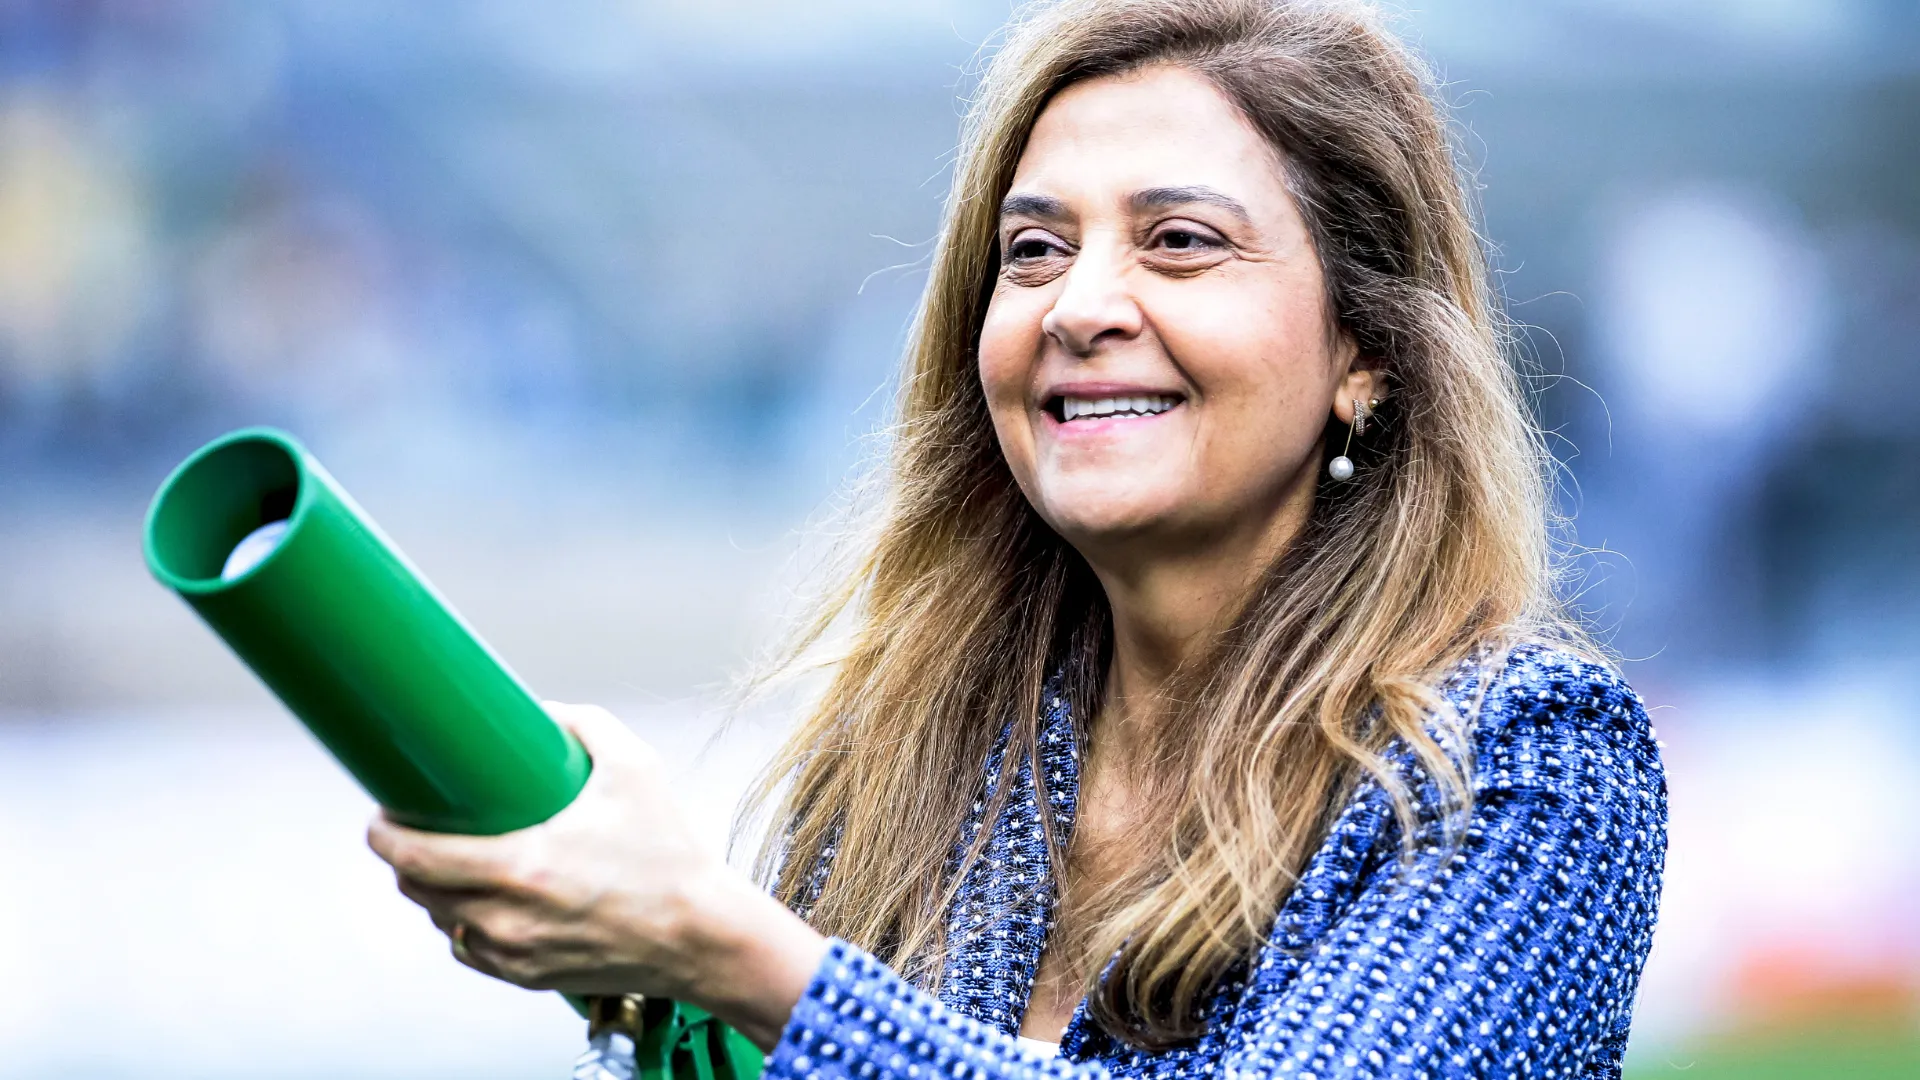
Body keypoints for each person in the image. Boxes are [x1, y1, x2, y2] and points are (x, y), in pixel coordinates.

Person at [367, 1, 1668, 1076]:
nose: (1080, 305)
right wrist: (646, 989)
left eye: (1180, 242)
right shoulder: (923, 762)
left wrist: (725, 947)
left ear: (1366, 354)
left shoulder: (1521, 757)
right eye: (1034, 250)